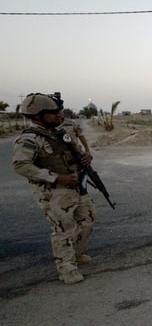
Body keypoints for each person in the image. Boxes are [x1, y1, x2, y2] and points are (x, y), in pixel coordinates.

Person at [12, 93, 96, 284]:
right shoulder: (30, 139)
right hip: (53, 192)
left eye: (59, 111)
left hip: (76, 185)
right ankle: (67, 269)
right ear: (38, 115)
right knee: (62, 229)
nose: (59, 115)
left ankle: (75, 253)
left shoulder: (58, 133)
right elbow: (21, 166)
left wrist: (86, 158)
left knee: (88, 219)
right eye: (53, 112)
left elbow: (75, 152)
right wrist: (56, 178)